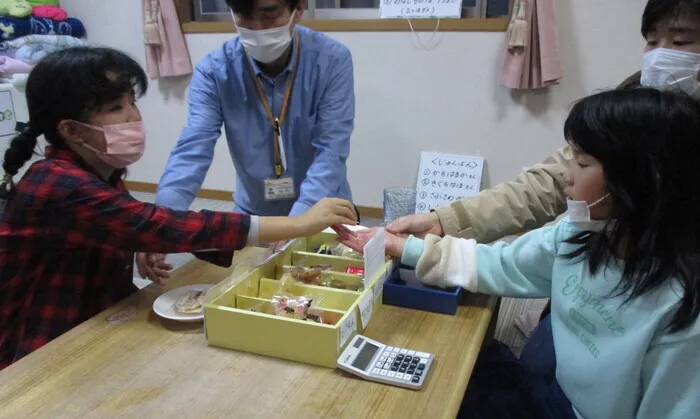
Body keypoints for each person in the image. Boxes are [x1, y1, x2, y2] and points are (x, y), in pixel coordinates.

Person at [338, 89, 700, 419]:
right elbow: (499, 264)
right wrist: (405, 247)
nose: (565, 176)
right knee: (446, 391)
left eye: (583, 164)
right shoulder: (578, 237)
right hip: (553, 407)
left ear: (642, 182)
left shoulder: (681, 313)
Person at [0, 47, 357, 370]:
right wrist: (297, 225)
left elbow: (140, 225)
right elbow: (161, 224)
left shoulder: (98, 175)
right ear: (72, 131)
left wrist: (143, 239)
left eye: (131, 102)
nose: (133, 117)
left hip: (98, 324)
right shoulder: (59, 184)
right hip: (40, 352)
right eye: (115, 108)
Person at [388, 0, 700, 244]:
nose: (661, 56)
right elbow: (542, 186)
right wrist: (445, 221)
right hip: (599, 273)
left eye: (681, 43)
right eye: (652, 41)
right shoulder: (631, 105)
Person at [155, 0, 354, 218]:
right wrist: (163, 217)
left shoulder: (332, 60)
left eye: (269, 15)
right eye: (244, 16)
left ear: (298, 9)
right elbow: (193, 148)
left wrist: (298, 222)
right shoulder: (214, 71)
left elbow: (331, 150)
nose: (257, 28)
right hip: (254, 212)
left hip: (321, 207)